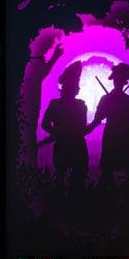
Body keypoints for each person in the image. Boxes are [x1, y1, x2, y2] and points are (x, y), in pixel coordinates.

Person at [85, 63, 129, 185]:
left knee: (116, 171)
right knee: (124, 172)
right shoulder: (125, 100)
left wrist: (87, 129)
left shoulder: (113, 99)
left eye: (120, 80)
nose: (118, 82)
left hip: (118, 137)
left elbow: (97, 120)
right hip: (120, 137)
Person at [41, 60, 89, 194]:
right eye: (75, 85)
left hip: (67, 144)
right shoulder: (79, 105)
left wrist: (57, 133)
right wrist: (59, 133)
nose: (77, 87)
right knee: (65, 176)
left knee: (64, 176)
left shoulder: (74, 105)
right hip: (73, 145)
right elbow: (82, 129)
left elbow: (45, 124)